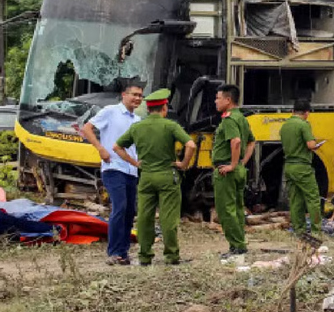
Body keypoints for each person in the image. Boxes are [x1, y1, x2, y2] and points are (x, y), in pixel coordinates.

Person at [113, 89, 196, 266]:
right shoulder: (170, 126)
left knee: (144, 217)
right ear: (164, 107)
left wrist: (135, 163)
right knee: (168, 217)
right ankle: (171, 255)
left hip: (146, 177)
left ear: (148, 109)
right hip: (167, 176)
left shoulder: (137, 127)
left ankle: (144, 256)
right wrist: (183, 164)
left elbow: (116, 147)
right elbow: (191, 145)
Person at [79, 82, 143, 266]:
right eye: (134, 94)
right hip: (113, 167)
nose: (137, 98)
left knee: (130, 211)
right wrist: (100, 148)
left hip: (131, 169)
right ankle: (114, 252)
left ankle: (123, 252)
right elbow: (87, 128)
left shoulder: (137, 121)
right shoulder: (110, 111)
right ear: (124, 95)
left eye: (140, 96)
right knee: (120, 207)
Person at [212, 84, 256, 258]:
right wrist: (241, 163)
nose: (216, 101)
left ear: (228, 100)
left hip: (226, 171)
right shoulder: (242, 118)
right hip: (238, 170)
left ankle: (236, 247)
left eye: (218, 97)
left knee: (226, 209)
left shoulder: (229, 119)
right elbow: (252, 141)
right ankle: (240, 243)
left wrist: (232, 164)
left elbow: (236, 142)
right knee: (237, 208)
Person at [280, 99, 322, 234]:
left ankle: (299, 231)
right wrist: (316, 144)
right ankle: (316, 231)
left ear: (292, 111)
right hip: (302, 166)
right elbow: (310, 145)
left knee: (295, 200)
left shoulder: (285, 126)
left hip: (289, 166)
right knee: (313, 198)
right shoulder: (304, 125)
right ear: (307, 113)